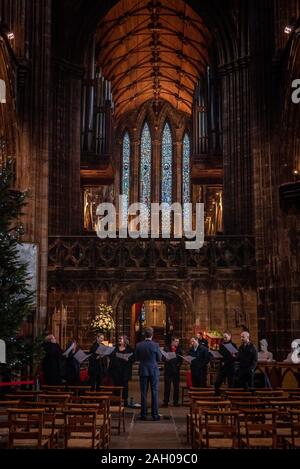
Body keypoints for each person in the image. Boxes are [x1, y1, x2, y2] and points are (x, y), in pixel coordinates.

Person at [135, 327, 162, 421]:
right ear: (152, 335)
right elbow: (159, 358)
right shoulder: (156, 345)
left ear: (144, 335)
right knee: (154, 392)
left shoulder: (139, 345)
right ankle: (155, 415)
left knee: (143, 393)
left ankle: (143, 414)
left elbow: (136, 357)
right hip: (154, 370)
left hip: (143, 370)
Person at [108, 335, 134, 406]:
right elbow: (111, 358)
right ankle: (116, 401)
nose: (119, 340)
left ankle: (125, 401)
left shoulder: (129, 349)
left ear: (124, 340)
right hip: (116, 371)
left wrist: (128, 359)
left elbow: (133, 358)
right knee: (116, 386)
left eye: (121, 339)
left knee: (125, 386)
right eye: (118, 338)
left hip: (125, 371)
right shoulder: (115, 349)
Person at [162, 337, 183, 407]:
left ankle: (176, 402)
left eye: (178, 342)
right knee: (167, 387)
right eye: (176, 341)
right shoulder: (166, 348)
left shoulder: (179, 349)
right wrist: (166, 359)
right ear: (172, 341)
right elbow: (163, 358)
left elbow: (181, 359)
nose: (177, 343)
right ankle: (165, 402)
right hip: (168, 369)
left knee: (176, 387)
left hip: (176, 370)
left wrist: (178, 365)